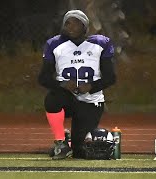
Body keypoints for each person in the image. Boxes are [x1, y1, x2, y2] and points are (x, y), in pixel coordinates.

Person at [38, 9, 116, 160]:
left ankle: (70, 141)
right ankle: (60, 141)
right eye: (67, 23)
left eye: (76, 23)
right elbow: (43, 78)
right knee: (52, 99)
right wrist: (62, 85)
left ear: (85, 26)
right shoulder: (55, 44)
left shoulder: (100, 43)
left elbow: (110, 78)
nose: (71, 27)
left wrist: (91, 86)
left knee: (80, 152)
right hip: (67, 99)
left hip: (90, 102)